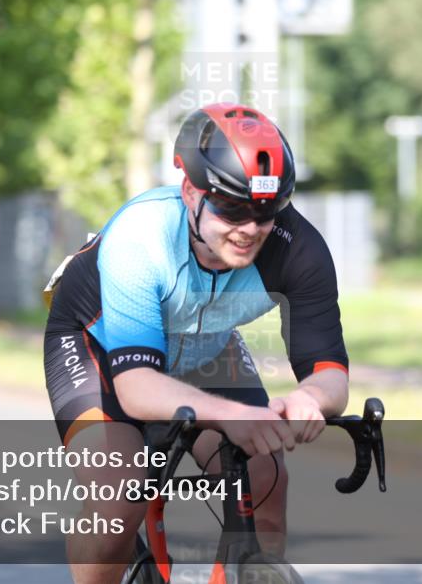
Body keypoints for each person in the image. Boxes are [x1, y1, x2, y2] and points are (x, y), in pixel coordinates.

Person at [43, 103, 350, 584]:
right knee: (116, 498)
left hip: (204, 346)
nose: (250, 228)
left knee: (264, 481)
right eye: (232, 207)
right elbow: (139, 389)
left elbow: (331, 374)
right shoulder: (141, 240)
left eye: (266, 210)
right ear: (191, 190)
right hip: (99, 348)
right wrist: (232, 415)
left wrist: (310, 399)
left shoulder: (299, 249)